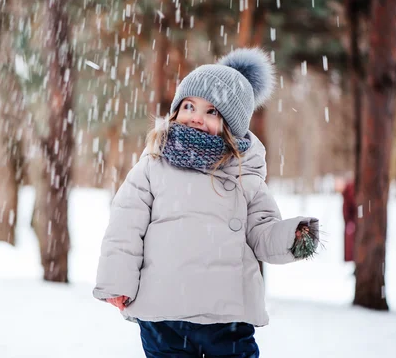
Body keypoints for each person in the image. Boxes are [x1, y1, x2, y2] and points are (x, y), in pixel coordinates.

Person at [93, 48, 320, 358]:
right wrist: (117, 281)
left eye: (212, 111)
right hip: (164, 313)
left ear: (232, 124)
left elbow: (261, 231)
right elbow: (125, 226)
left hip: (225, 318)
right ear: (175, 111)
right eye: (189, 106)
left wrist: (291, 238)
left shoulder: (245, 175)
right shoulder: (153, 165)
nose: (197, 117)